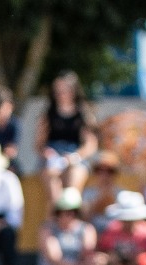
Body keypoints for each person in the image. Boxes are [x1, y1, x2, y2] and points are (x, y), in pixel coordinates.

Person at [36, 71, 98, 202]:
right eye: (57, 91)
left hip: (76, 157)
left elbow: (91, 144)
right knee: (54, 194)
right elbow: (39, 144)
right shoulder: (48, 115)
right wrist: (46, 153)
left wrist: (74, 157)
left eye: (64, 90)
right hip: (52, 160)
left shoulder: (83, 115)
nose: (61, 94)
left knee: (71, 195)